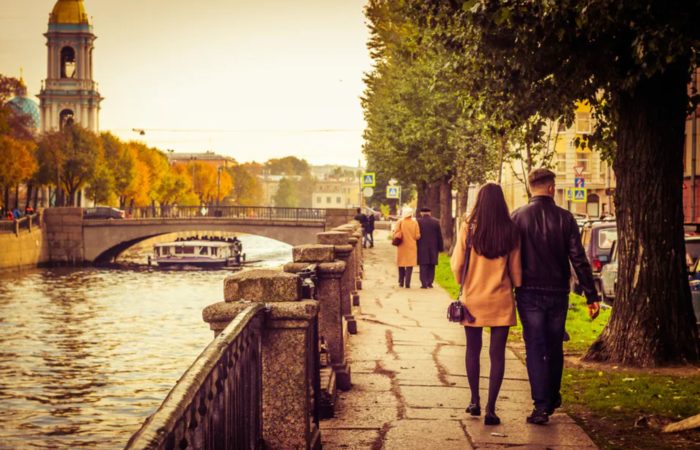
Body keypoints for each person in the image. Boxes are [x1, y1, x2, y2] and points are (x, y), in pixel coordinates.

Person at [511, 168, 600, 425]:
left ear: (531, 188)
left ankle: (541, 405)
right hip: (558, 292)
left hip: (528, 292)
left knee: (535, 347)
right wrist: (590, 295)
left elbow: (509, 256)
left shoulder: (517, 217)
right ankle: (552, 395)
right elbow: (578, 258)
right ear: (551, 188)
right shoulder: (565, 218)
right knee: (554, 346)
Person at [451, 183, 522, 426]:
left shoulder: (468, 228)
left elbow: (457, 264)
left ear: (479, 201)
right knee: (497, 354)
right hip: (501, 300)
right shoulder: (511, 230)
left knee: (473, 349)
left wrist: (465, 283)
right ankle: (491, 409)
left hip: (473, 299)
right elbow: (517, 274)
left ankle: (474, 401)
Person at [393, 207, 420, 288]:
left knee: (401, 264)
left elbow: (395, 233)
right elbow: (417, 236)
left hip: (401, 246)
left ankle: (401, 282)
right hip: (411, 246)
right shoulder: (415, 223)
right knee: (409, 265)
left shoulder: (400, 222)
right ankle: (407, 283)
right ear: (411, 214)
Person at [416, 207, 443, 288]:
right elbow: (439, 236)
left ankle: (424, 283)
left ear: (421, 213)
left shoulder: (418, 222)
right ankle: (430, 282)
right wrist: (440, 248)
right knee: (432, 265)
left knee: (423, 265)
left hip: (421, 247)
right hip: (433, 247)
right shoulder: (436, 222)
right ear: (430, 213)